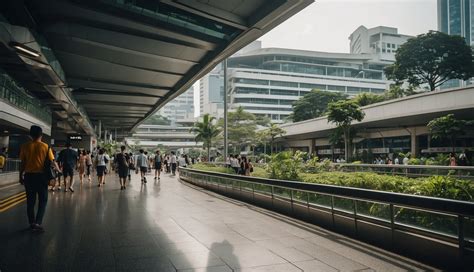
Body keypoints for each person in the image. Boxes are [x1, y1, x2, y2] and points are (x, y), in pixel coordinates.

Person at [19, 125, 60, 232]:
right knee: (43, 200)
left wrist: (20, 176)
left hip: (28, 176)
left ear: (30, 135)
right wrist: (58, 171)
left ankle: (31, 222)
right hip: (41, 177)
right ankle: (38, 222)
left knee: (30, 201)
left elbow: (22, 163)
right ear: (41, 135)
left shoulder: (25, 146)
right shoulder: (45, 146)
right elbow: (52, 161)